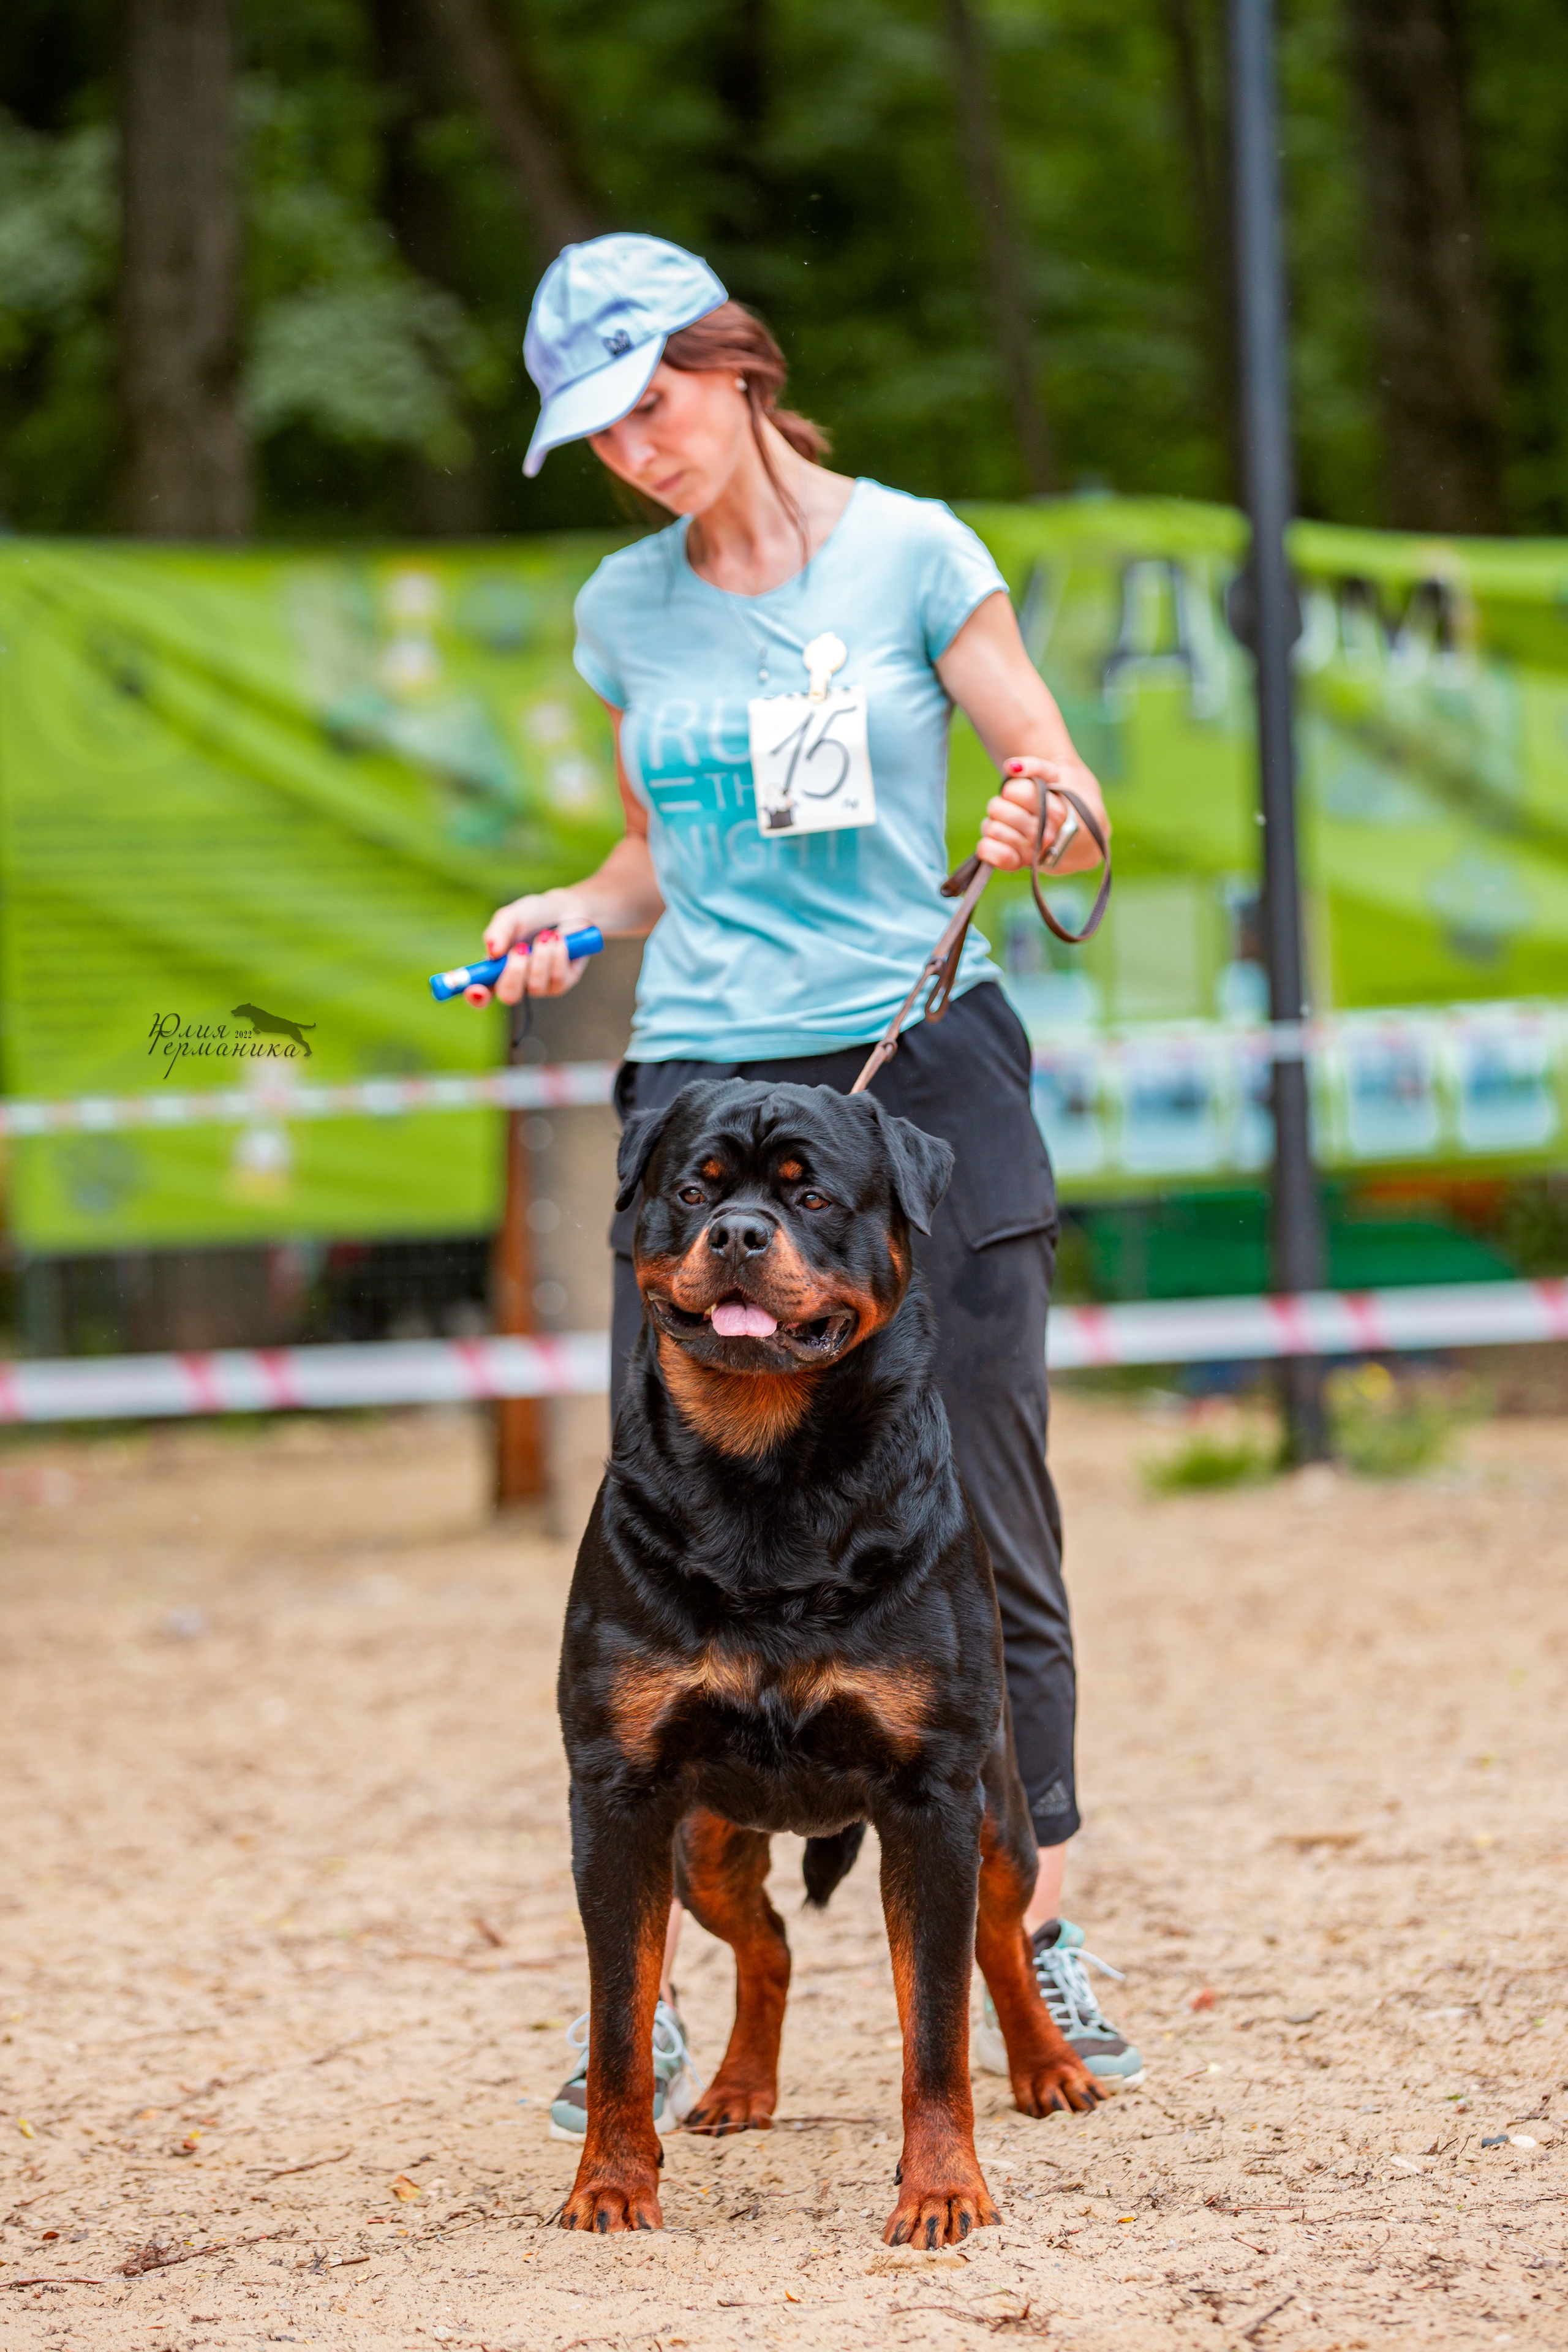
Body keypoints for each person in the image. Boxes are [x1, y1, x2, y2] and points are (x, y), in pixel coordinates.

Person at [476, 232, 1144, 2141]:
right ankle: (656, 2002)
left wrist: (1041, 814)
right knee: (665, 1534)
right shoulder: (624, 607)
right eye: (595, 432)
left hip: (918, 1058)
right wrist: (567, 911)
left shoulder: (915, 552)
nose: (634, 451)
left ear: (736, 365)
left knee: (990, 1518)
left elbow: (1065, 781)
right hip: (704, 1086)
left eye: (650, 404)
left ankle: (1039, 1919)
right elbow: (647, 853)